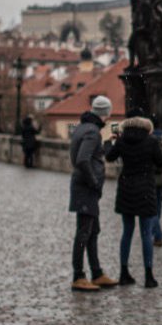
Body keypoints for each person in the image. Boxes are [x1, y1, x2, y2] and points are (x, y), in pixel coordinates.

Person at [105, 116, 162, 288]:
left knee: (127, 232)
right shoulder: (151, 141)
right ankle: (148, 276)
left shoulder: (122, 140)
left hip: (126, 188)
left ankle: (124, 273)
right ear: (147, 128)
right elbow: (161, 164)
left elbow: (109, 157)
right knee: (146, 233)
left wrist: (110, 143)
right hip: (146, 188)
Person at [68, 95, 119, 292]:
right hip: (86, 188)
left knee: (92, 232)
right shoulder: (92, 132)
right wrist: (94, 182)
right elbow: (82, 160)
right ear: (105, 113)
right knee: (83, 233)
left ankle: (97, 272)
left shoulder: (84, 128)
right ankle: (78, 275)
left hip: (84, 187)